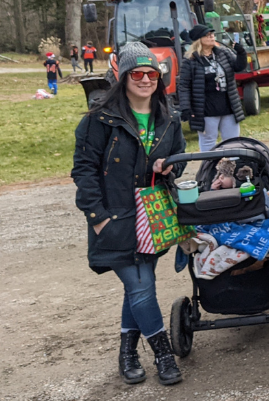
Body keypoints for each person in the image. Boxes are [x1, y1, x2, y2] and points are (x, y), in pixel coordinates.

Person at [71, 42, 187, 386]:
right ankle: (164, 354)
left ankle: (127, 351)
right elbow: (84, 171)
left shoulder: (169, 119)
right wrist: (99, 217)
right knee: (141, 287)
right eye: (136, 73)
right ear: (122, 77)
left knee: (138, 290)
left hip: (153, 217)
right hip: (116, 217)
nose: (145, 79)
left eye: (152, 73)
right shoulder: (98, 120)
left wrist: (170, 169)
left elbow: (178, 159)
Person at [178, 24, 247, 151]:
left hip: (228, 105)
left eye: (212, 34)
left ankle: (233, 168)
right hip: (205, 109)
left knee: (233, 142)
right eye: (207, 35)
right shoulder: (190, 61)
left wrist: (241, 52)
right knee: (208, 142)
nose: (212, 37)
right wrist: (186, 108)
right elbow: (184, 86)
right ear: (199, 39)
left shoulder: (223, 52)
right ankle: (210, 169)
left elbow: (238, 67)